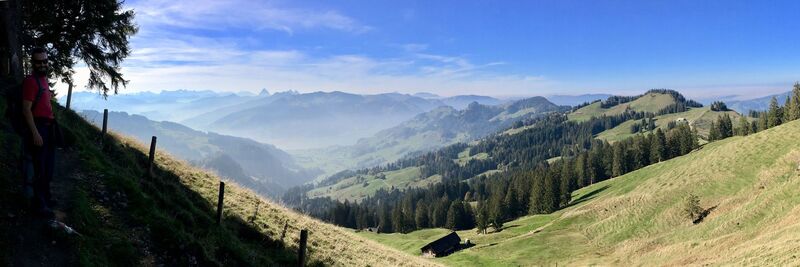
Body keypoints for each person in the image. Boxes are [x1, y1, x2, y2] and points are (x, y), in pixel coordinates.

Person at [21, 47, 56, 217]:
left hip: (48, 128)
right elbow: (26, 110)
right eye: (38, 61)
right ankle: (39, 205)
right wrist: (35, 133)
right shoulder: (30, 81)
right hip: (38, 128)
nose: (42, 64)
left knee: (49, 167)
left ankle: (46, 197)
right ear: (33, 63)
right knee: (40, 168)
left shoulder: (43, 79)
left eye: (45, 61)